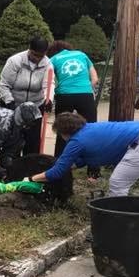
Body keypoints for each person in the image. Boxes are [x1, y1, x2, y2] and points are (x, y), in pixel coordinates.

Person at [25, 113, 139, 197]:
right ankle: (117, 210)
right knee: (120, 182)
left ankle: (117, 219)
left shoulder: (76, 141)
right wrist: (69, 166)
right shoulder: (88, 129)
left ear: (64, 131)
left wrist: (31, 179)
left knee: (118, 182)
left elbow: (57, 171)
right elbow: (85, 159)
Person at [48, 40, 101, 179]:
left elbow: (52, 81)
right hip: (85, 94)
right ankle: (93, 173)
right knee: (92, 129)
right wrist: (86, 89)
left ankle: (58, 168)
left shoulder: (53, 59)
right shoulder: (82, 55)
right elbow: (94, 79)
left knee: (62, 130)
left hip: (64, 95)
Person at [0, 36, 54, 156]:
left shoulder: (47, 64)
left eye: (41, 56)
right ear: (29, 50)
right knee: (13, 138)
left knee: (33, 140)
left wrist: (48, 99)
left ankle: (30, 166)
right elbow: (4, 84)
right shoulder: (15, 61)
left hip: (35, 105)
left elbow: (48, 84)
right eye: (34, 55)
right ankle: (10, 166)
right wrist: (9, 102)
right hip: (13, 103)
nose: (37, 59)